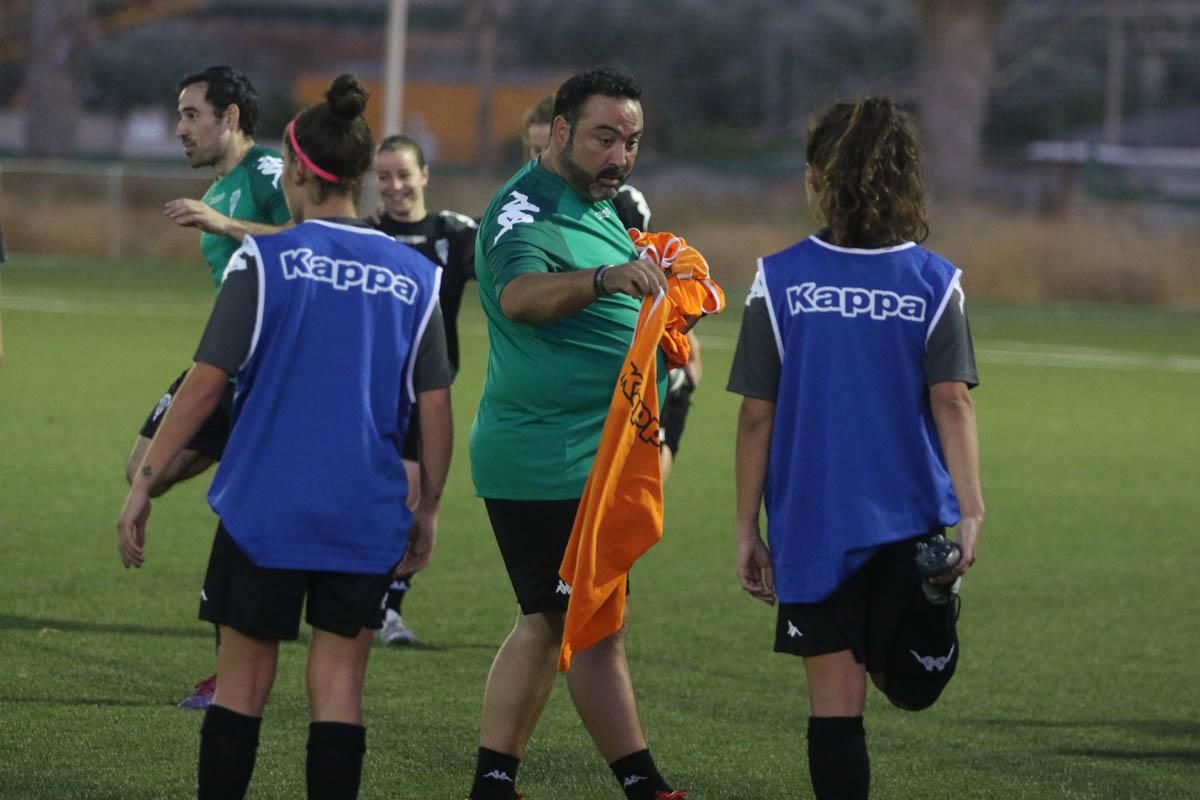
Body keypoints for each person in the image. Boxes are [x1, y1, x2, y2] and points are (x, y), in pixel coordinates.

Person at [117, 74, 452, 800]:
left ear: (297, 169)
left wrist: (145, 486)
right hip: (364, 514)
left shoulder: (262, 261)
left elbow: (206, 384)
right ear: (361, 175)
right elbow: (435, 407)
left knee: (242, 687)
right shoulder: (417, 277)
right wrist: (427, 510)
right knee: (339, 688)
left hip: (265, 509)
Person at [727, 97, 985, 799]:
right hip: (909, 519)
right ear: (906, 178)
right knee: (911, 685)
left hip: (814, 524)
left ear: (817, 178)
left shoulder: (777, 279)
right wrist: (972, 514)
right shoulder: (935, 282)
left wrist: (747, 528)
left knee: (835, 708)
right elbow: (953, 401)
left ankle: (927, 613)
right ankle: (932, 606)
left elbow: (757, 415)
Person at [467, 67, 686, 800]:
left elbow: (624, 279)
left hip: (592, 457)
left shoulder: (598, 203)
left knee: (582, 621)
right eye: (604, 137)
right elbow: (520, 296)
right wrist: (606, 282)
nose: (619, 155)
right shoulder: (521, 211)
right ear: (559, 132)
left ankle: (617, 782)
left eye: (631, 141)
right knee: (559, 619)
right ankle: (619, 783)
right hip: (541, 455)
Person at [123, 65, 292, 710]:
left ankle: (233, 674)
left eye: (192, 113)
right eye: (180, 114)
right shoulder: (221, 189)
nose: (180, 128)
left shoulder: (269, 174)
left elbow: (313, 241)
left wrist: (225, 226)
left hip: (267, 365)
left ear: (230, 118)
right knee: (146, 468)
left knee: (239, 512)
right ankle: (239, 451)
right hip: (230, 358)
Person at [521, 97, 701, 483]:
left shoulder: (620, 202)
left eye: (546, 147)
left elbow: (651, 274)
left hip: (622, 353)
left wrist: (686, 349)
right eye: (533, 150)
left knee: (637, 473)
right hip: (559, 370)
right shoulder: (521, 211)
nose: (541, 156)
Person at [369, 134, 478, 645]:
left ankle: (388, 608)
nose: (395, 186)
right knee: (371, 498)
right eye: (384, 176)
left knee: (411, 498)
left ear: (425, 174)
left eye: (404, 174)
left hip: (426, 394)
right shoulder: (364, 234)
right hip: (368, 394)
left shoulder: (455, 234)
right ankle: (360, 595)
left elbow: (511, 271)